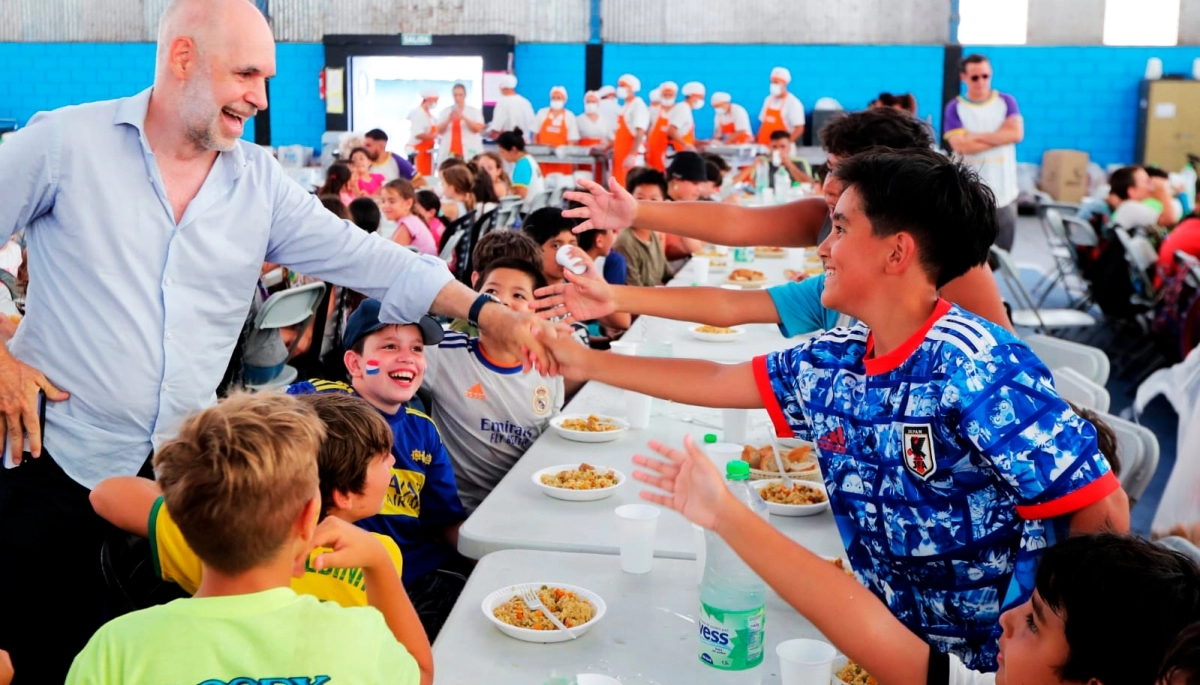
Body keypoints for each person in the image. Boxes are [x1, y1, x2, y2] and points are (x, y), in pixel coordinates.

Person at [0, 1, 558, 679]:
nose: (260, 99)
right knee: (42, 653)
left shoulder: (259, 183)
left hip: (184, 486)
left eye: (265, 79)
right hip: (53, 461)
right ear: (182, 58)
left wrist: (486, 313)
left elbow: (376, 260)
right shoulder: (62, 145)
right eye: (247, 75)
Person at [543, 149, 1129, 670]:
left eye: (841, 227)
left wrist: (1053, 648)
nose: (823, 246)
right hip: (896, 644)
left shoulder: (978, 367)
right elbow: (718, 377)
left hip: (987, 661)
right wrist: (586, 362)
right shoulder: (839, 358)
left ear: (897, 251)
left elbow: (1101, 506)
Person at [66, 393, 433, 685]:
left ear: (180, 517)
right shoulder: (362, 638)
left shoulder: (115, 648)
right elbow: (420, 673)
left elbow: (107, 494)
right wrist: (380, 564)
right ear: (308, 517)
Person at [559, 107, 1013, 335]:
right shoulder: (828, 232)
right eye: (827, 168)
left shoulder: (948, 256)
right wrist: (636, 212)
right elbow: (736, 225)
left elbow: (1006, 354)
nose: (826, 184)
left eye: (838, 170)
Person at [289, 303, 472, 639]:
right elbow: (259, 420)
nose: (407, 357)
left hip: (413, 573)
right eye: (389, 346)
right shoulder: (318, 400)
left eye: (416, 348)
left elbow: (443, 522)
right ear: (354, 363)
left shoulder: (424, 431)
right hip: (328, 575)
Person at [425, 257, 569, 512]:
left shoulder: (548, 366)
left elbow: (550, 438)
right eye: (490, 292)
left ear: (536, 312)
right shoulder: (442, 352)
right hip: (463, 512)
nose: (501, 301)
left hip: (531, 503)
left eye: (519, 295)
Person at [944, 54, 1024, 252]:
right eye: (975, 77)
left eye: (985, 76)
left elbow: (1015, 134)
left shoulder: (1006, 102)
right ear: (963, 77)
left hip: (1004, 193)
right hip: (970, 195)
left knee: (1002, 253)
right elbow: (961, 145)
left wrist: (973, 136)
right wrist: (999, 135)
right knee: (968, 252)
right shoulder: (955, 108)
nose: (981, 81)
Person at [448, 230, 544, 336]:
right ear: (476, 281)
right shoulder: (463, 333)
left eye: (518, 295)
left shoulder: (538, 334)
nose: (504, 301)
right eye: (492, 291)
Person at [614, 168, 674, 288]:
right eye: (640, 199)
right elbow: (636, 293)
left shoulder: (652, 235)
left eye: (654, 200)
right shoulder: (625, 242)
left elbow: (667, 275)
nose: (647, 206)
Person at [662, 152, 708, 261]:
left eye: (701, 184)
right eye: (695, 183)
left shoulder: (683, 206)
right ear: (676, 180)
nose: (699, 189)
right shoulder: (663, 206)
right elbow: (695, 248)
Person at [1108, 165, 1177, 230]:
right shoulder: (1129, 207)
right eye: (1147, 182)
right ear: (1132, 191)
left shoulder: (1127, 207)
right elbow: (1169, 220)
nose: (1151, 186)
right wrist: (1162, 190)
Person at [381, 179, 438, 256]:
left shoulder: (407, 226)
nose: (385, 206)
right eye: (383, 201)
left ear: (408, 203)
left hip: (421, 267)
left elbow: (392, 257)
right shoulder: (412, 220)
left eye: (392, 201)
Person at [533, 85, 580, 176]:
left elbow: (572, 140)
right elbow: (535, 137)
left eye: (559, 97)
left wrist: (564, 154)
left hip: (563, 161)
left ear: (564, 99)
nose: (556, 100)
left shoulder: (569, 116)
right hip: (543, 160)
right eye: (553, 97)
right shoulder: (542, 113)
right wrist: (537, 155)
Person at [612, 74, 650, 187]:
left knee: (630, 188)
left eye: (623, 85)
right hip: (621, 155)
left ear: (631, 88)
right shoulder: (625, 106)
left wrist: (632, 154)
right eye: (619, 85)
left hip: (631, 156)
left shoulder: (638, 105)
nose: (620, 88)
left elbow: (640, 132)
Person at [436, 83, 485, 166]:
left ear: (465, 96)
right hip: (450, 153)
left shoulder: (474, 112)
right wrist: (449, 119)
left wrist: (463, 118)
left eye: (460, 95)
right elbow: (438, 130)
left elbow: (477, 129)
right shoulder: (445, 111)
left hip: (469, 151)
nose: (457, 98)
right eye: (455, 95)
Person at [758, 66, 805, 145]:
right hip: (764, 146)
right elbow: (763, 124)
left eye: (776, 82)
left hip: (782, 150)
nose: (773, 85)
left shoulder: (793, 102)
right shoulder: (768, 100)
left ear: (784, 84)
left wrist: (784, 145)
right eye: (772, 82)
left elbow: (799, 129)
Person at [497, 128, 544, 203]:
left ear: (513, 150)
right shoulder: (529, 159)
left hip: (527, 211)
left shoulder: (522, 165)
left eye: (502, 152)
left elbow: (520, 196)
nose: (501, 156)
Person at [486, 74, 535, 141]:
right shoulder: (525, 102)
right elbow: (532, 124)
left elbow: (495, 131)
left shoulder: (502, 103)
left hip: (509, 144)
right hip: (524, 143)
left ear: (501, 87)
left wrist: (484, 133)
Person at [407, 88, 440, 177]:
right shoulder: (419, 113)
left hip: (427, 152)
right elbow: (418, 134)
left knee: (428, 177)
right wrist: (435, 136)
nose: (436, 103)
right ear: (428, 99)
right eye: (435, 100)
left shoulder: (429, 115)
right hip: (418, 151)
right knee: (419, 178)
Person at [645, 81, 676, 172]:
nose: (667, 96)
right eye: (665, 94)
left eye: (670, 94)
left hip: (673, 151)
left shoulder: (679, 110)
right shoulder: (653, 111)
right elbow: (646, 130)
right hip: (655, 153)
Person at [668, 81, 704, 153]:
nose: (701, 100)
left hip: (682, 150)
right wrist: (686, 145)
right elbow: (672, 131)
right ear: (693, 96)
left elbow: (683, 132)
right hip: (679, 151)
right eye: (701, 97)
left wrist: (701, 142)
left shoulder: (686, 109)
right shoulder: (683, 109)